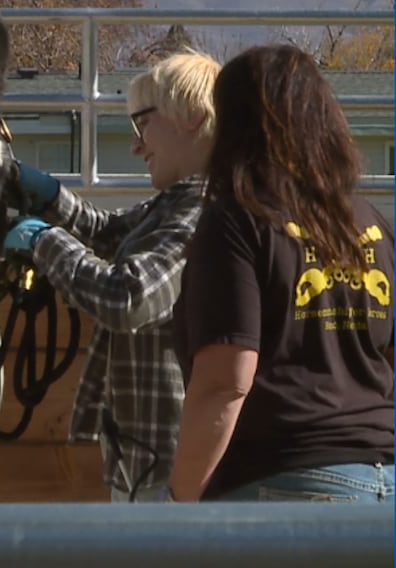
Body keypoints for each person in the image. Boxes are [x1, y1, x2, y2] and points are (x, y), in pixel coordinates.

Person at [166, 44, 394, 503]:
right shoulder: (369, 223)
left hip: (284, 484)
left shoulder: (237, 220)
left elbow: (224, 381)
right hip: (384, 485)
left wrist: (179, 501)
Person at [2, 50, 221, 502]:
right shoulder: (173, 205)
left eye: (143, 123)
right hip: (144, 458)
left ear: (193, 119)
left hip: (170, 471)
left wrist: (42, 240)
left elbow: (128, 299)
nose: (137, 144)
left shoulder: (204, 214)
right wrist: (43, 193)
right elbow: (106, 233)